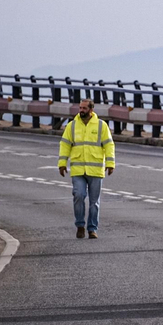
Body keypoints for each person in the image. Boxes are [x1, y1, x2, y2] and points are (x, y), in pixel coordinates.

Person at [58, 99, 115, 239]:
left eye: (84, 108)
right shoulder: (72, 126)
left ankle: (92, 229)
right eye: (80, 108)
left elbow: (109, 145)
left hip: (95, 170)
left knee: (94, 202)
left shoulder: (101, 126)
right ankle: (80, 226)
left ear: (91, 110)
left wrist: (110, 163)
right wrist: (62, 163)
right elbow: (65, 144)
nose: (81, 110)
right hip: (78, 170)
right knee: (78, 196)